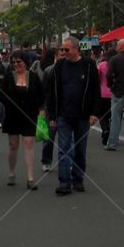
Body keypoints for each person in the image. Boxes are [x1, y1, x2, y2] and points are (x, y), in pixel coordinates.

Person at [45, 37, 99, 195]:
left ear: (76, 49)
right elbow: (52, 92)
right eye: (62, 49)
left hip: (82, 115)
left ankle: (78, 179)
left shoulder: (88, 65)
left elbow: (96, 90)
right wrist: (53, 116)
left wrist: (95, 113)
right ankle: (64, 183)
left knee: (80, 149)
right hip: (63, 115)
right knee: (64, 149)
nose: (63, 52)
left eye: (66, 50)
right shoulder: (59, 66)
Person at [0, 50, 45, 189]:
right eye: (13, 62)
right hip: (13, 115)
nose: (16, 64)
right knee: (13, 145)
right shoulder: (8, 76)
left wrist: (40, 109)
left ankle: (30, 178)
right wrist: (10, 103)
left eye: (19, 62)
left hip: (29, 115)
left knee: (29, 143)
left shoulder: (34, 77)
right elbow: (2, 95)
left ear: (25, 62)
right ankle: (12, 173)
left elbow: (41, 95)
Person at [96, 48, 115, 147]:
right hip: (114, 93)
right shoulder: (117, 65)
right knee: (113, 115)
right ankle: (110, 131)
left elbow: (96, 76)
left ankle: (105, 129)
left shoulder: (101, 65)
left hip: (102, 93)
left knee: (102, 114)